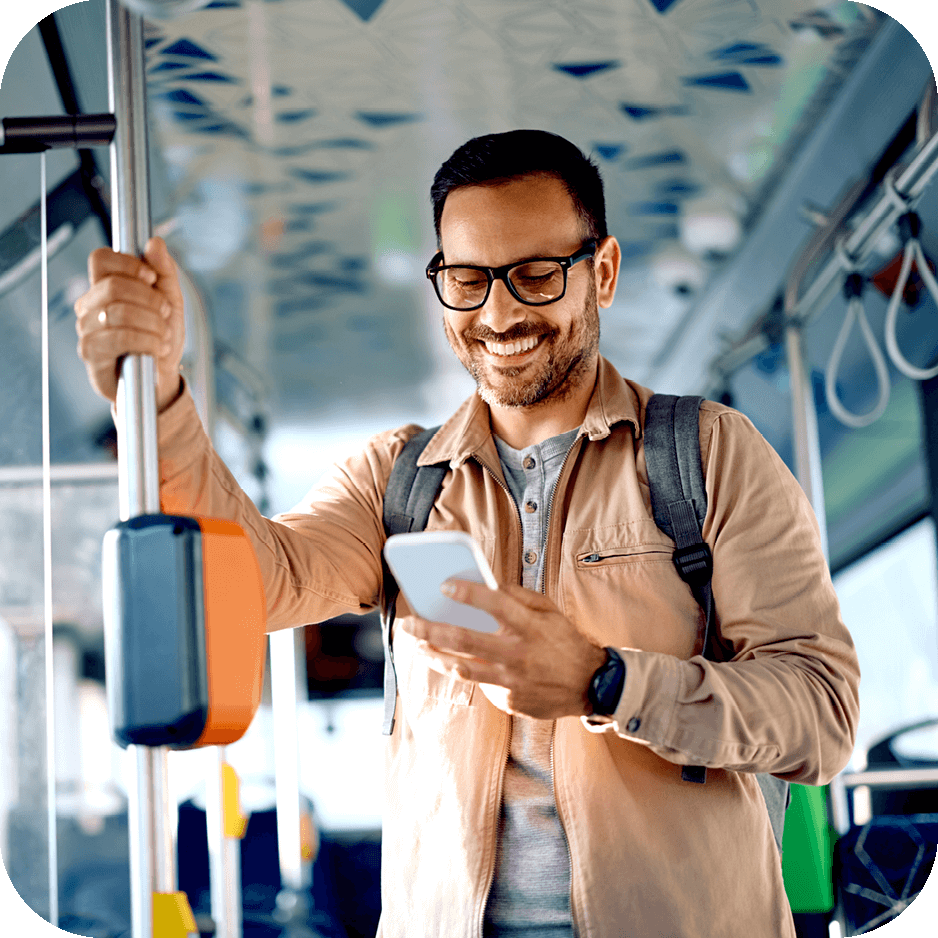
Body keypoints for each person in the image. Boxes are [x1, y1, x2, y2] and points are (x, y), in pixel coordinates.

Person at [74, 129, 860, 938]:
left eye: (535, 274)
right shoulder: (400, 480)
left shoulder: (707, 456)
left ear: (605, 272)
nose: (499, 311)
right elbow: (253, 578)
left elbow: (823, 715)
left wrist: (608, 682)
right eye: (468, 279)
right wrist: (160, 398)